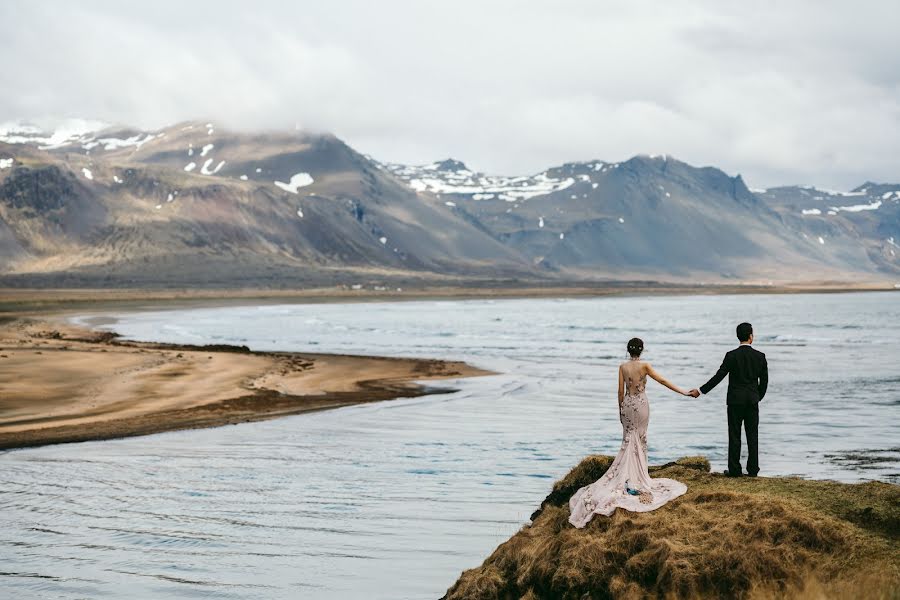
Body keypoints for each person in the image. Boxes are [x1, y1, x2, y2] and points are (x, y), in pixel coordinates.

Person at [569, 338, 689, 528]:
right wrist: (684, 392)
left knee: (628, 441)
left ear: (628, 350)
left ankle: (629, 475)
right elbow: (663, 381)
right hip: (641, 405)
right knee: (640, 440)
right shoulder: (645, 366)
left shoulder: (622, 367)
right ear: (641, 350)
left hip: (627, 404)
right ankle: (639, 475)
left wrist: (620, 410)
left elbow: (619, 392)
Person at [688, 322, 768, 477]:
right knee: (753, 435)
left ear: (738, 337)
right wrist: (757, 397)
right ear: (750, 336)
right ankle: (753, 470)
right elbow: (764, 382)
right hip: (752, 401)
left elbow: (719, 376)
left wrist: (701, 391)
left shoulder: (731, 355)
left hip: (735, 401)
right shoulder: (760, 356)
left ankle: (734, 469)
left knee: (734, 435)